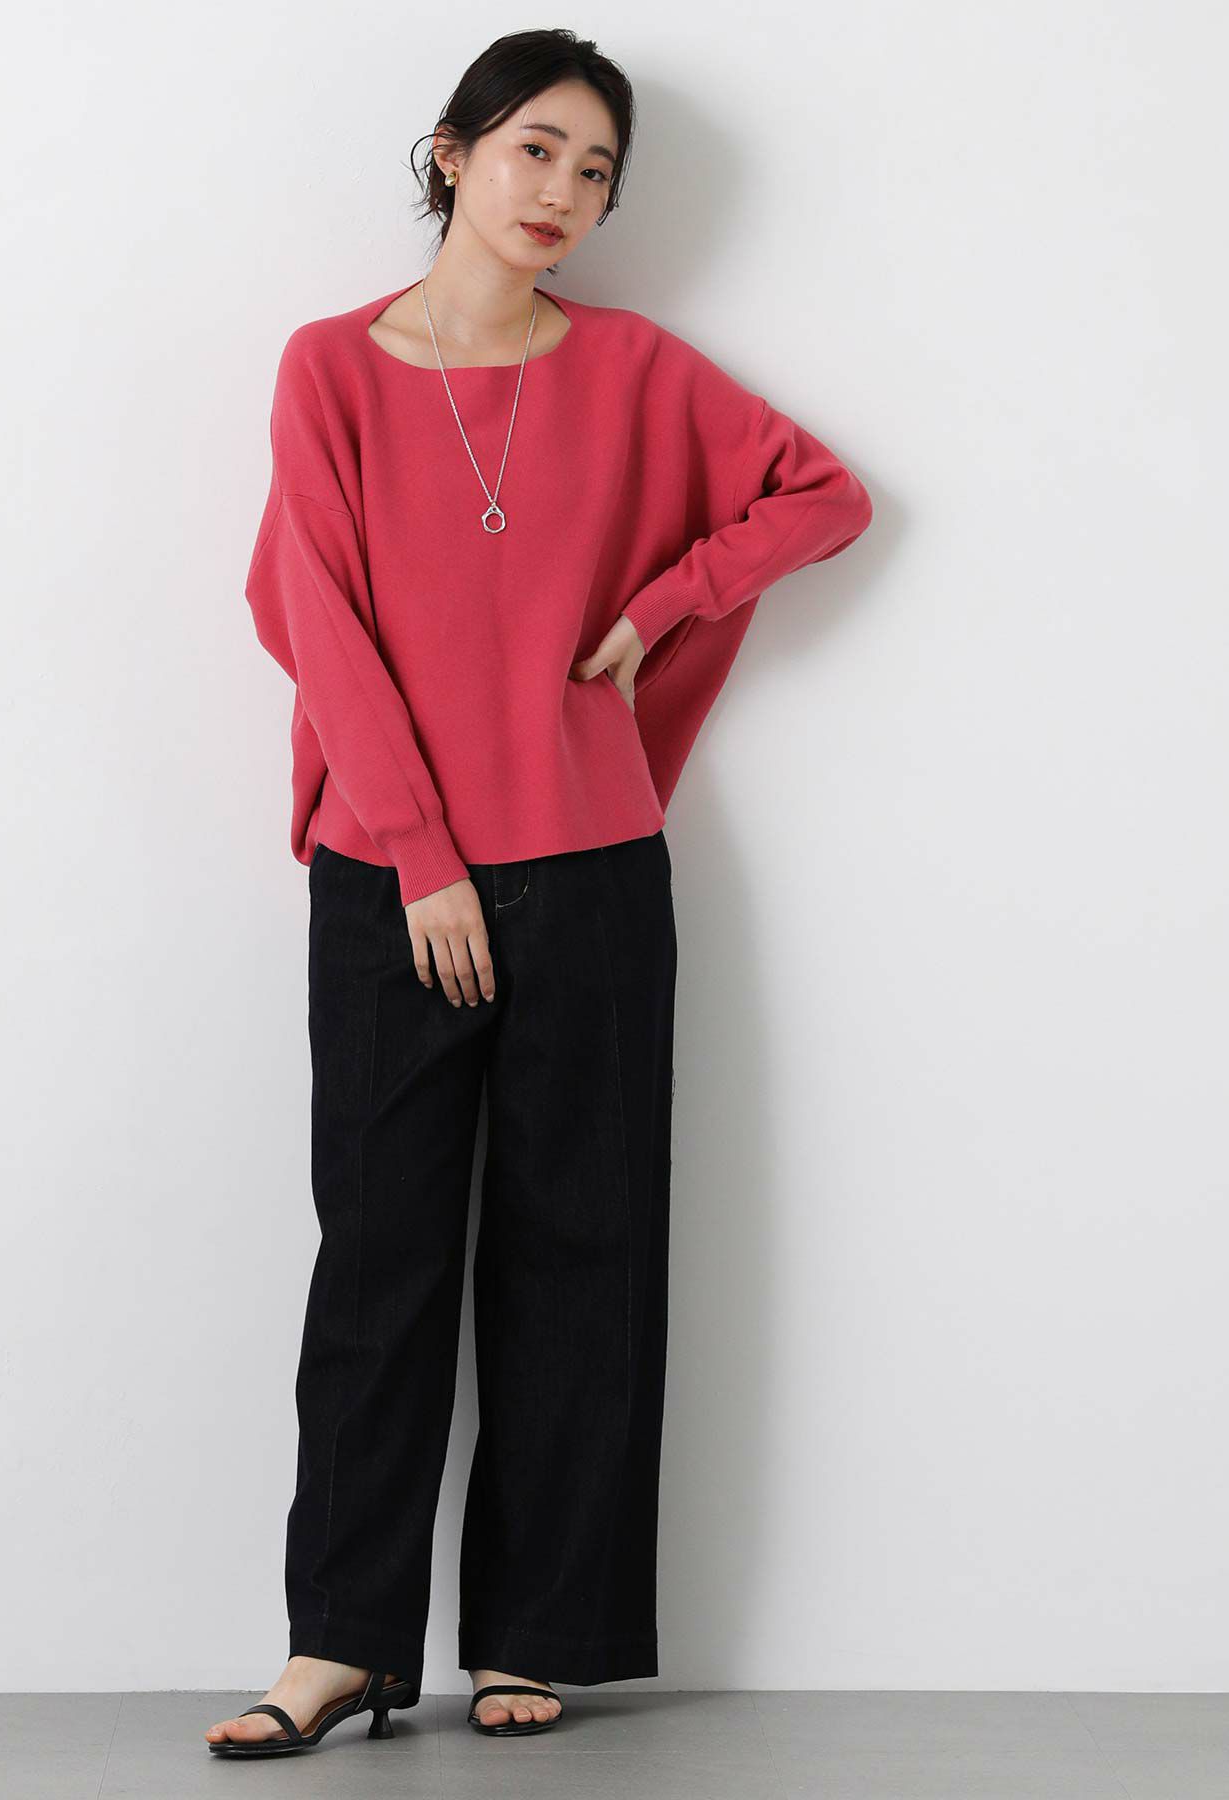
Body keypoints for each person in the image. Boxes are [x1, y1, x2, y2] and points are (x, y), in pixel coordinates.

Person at [206, 26, 874, 1759]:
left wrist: (664, 603)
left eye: (596, 170)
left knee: (583, 1253)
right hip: (391, 877)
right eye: (535, 150)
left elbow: (827, 497)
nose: (563, 191)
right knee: (379, 1263)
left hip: (589, 868)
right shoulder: (329, 368)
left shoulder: (636, 369)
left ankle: (539, 1632)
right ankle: (339, 1644)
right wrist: (423, 854)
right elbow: (315, 619)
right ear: (451, 152)